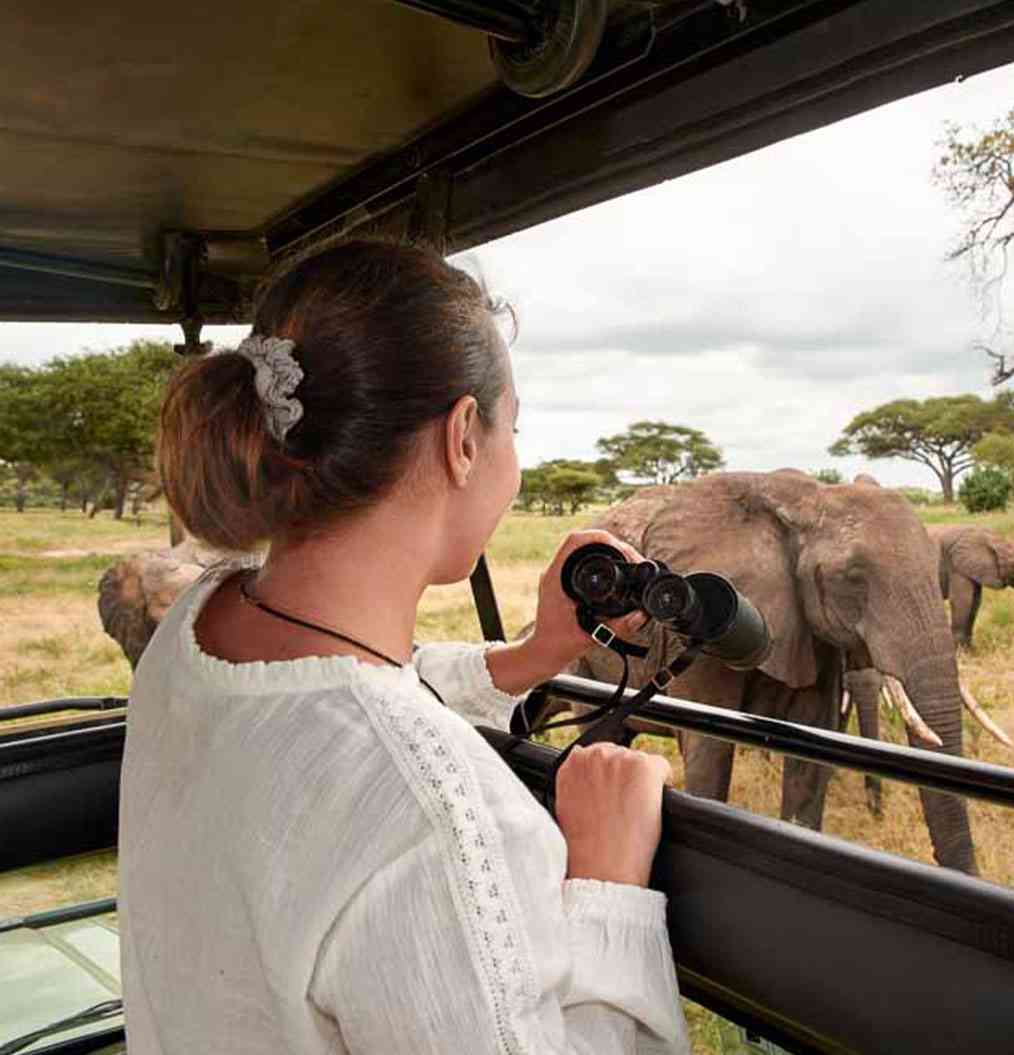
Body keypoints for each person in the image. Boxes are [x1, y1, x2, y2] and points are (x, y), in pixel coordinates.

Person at [118, 240, 689, 1054]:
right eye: (511, 429)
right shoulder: (443, 823)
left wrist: (530, 654)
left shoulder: (195, 628)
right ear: (463, 437)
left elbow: (338, 702)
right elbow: (377, 743)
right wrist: (606, 887)